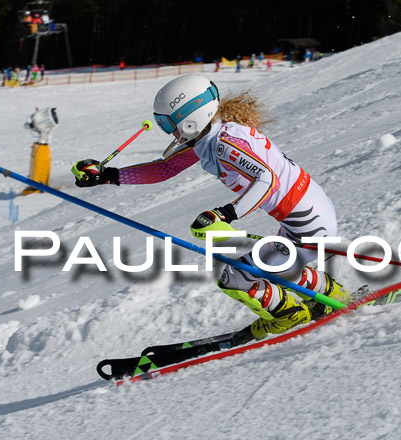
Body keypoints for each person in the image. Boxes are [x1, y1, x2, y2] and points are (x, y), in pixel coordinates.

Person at [70, 74, 351, 340]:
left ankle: (289, 314)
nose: (169, 132)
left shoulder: (224, 144)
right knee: (272, 262)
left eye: (169, 124)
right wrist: (107, 176)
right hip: (309, 213)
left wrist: (224, 214)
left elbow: (267, 180)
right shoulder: (211, 137)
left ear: (190, 120)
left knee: (234, 277)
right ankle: (331, 295)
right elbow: (165, 169)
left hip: (306, 222)